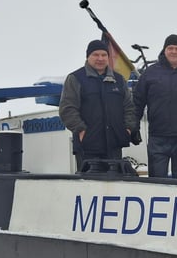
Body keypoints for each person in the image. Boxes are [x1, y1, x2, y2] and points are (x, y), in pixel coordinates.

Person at [59, 39, 139, 172]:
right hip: (87, 147)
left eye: (104, 55)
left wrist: (127, 129)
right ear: (88, 57)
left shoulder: (119, 80)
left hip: (114, 146)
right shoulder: (75, 78)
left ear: (108, 57)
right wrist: (81, 131)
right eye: (96, 55)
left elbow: (129, 107)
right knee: (89, 188)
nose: (100, 58)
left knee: (115, 188)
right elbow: (67, 109)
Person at [132, 34, 177, 178]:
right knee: (157, 182)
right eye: (170, 48)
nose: (173, 51)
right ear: (164, 50)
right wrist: (133, 126)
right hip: (158, 137)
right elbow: (137, 101)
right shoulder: (150, 72)